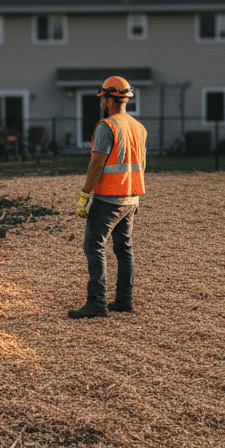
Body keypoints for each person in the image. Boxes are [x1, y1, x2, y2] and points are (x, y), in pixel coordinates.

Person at [70, 75, 147, 319]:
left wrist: (85, 195)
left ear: (107, 100)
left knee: (95, 246)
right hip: (131, 196)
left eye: (102, 97)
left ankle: (96, 302)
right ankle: (124, 300)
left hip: (108, 197)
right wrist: (135, 197)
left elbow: (97, 163)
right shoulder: (138, 127)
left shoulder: (107, 126)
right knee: (124, 248)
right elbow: (142, 164)